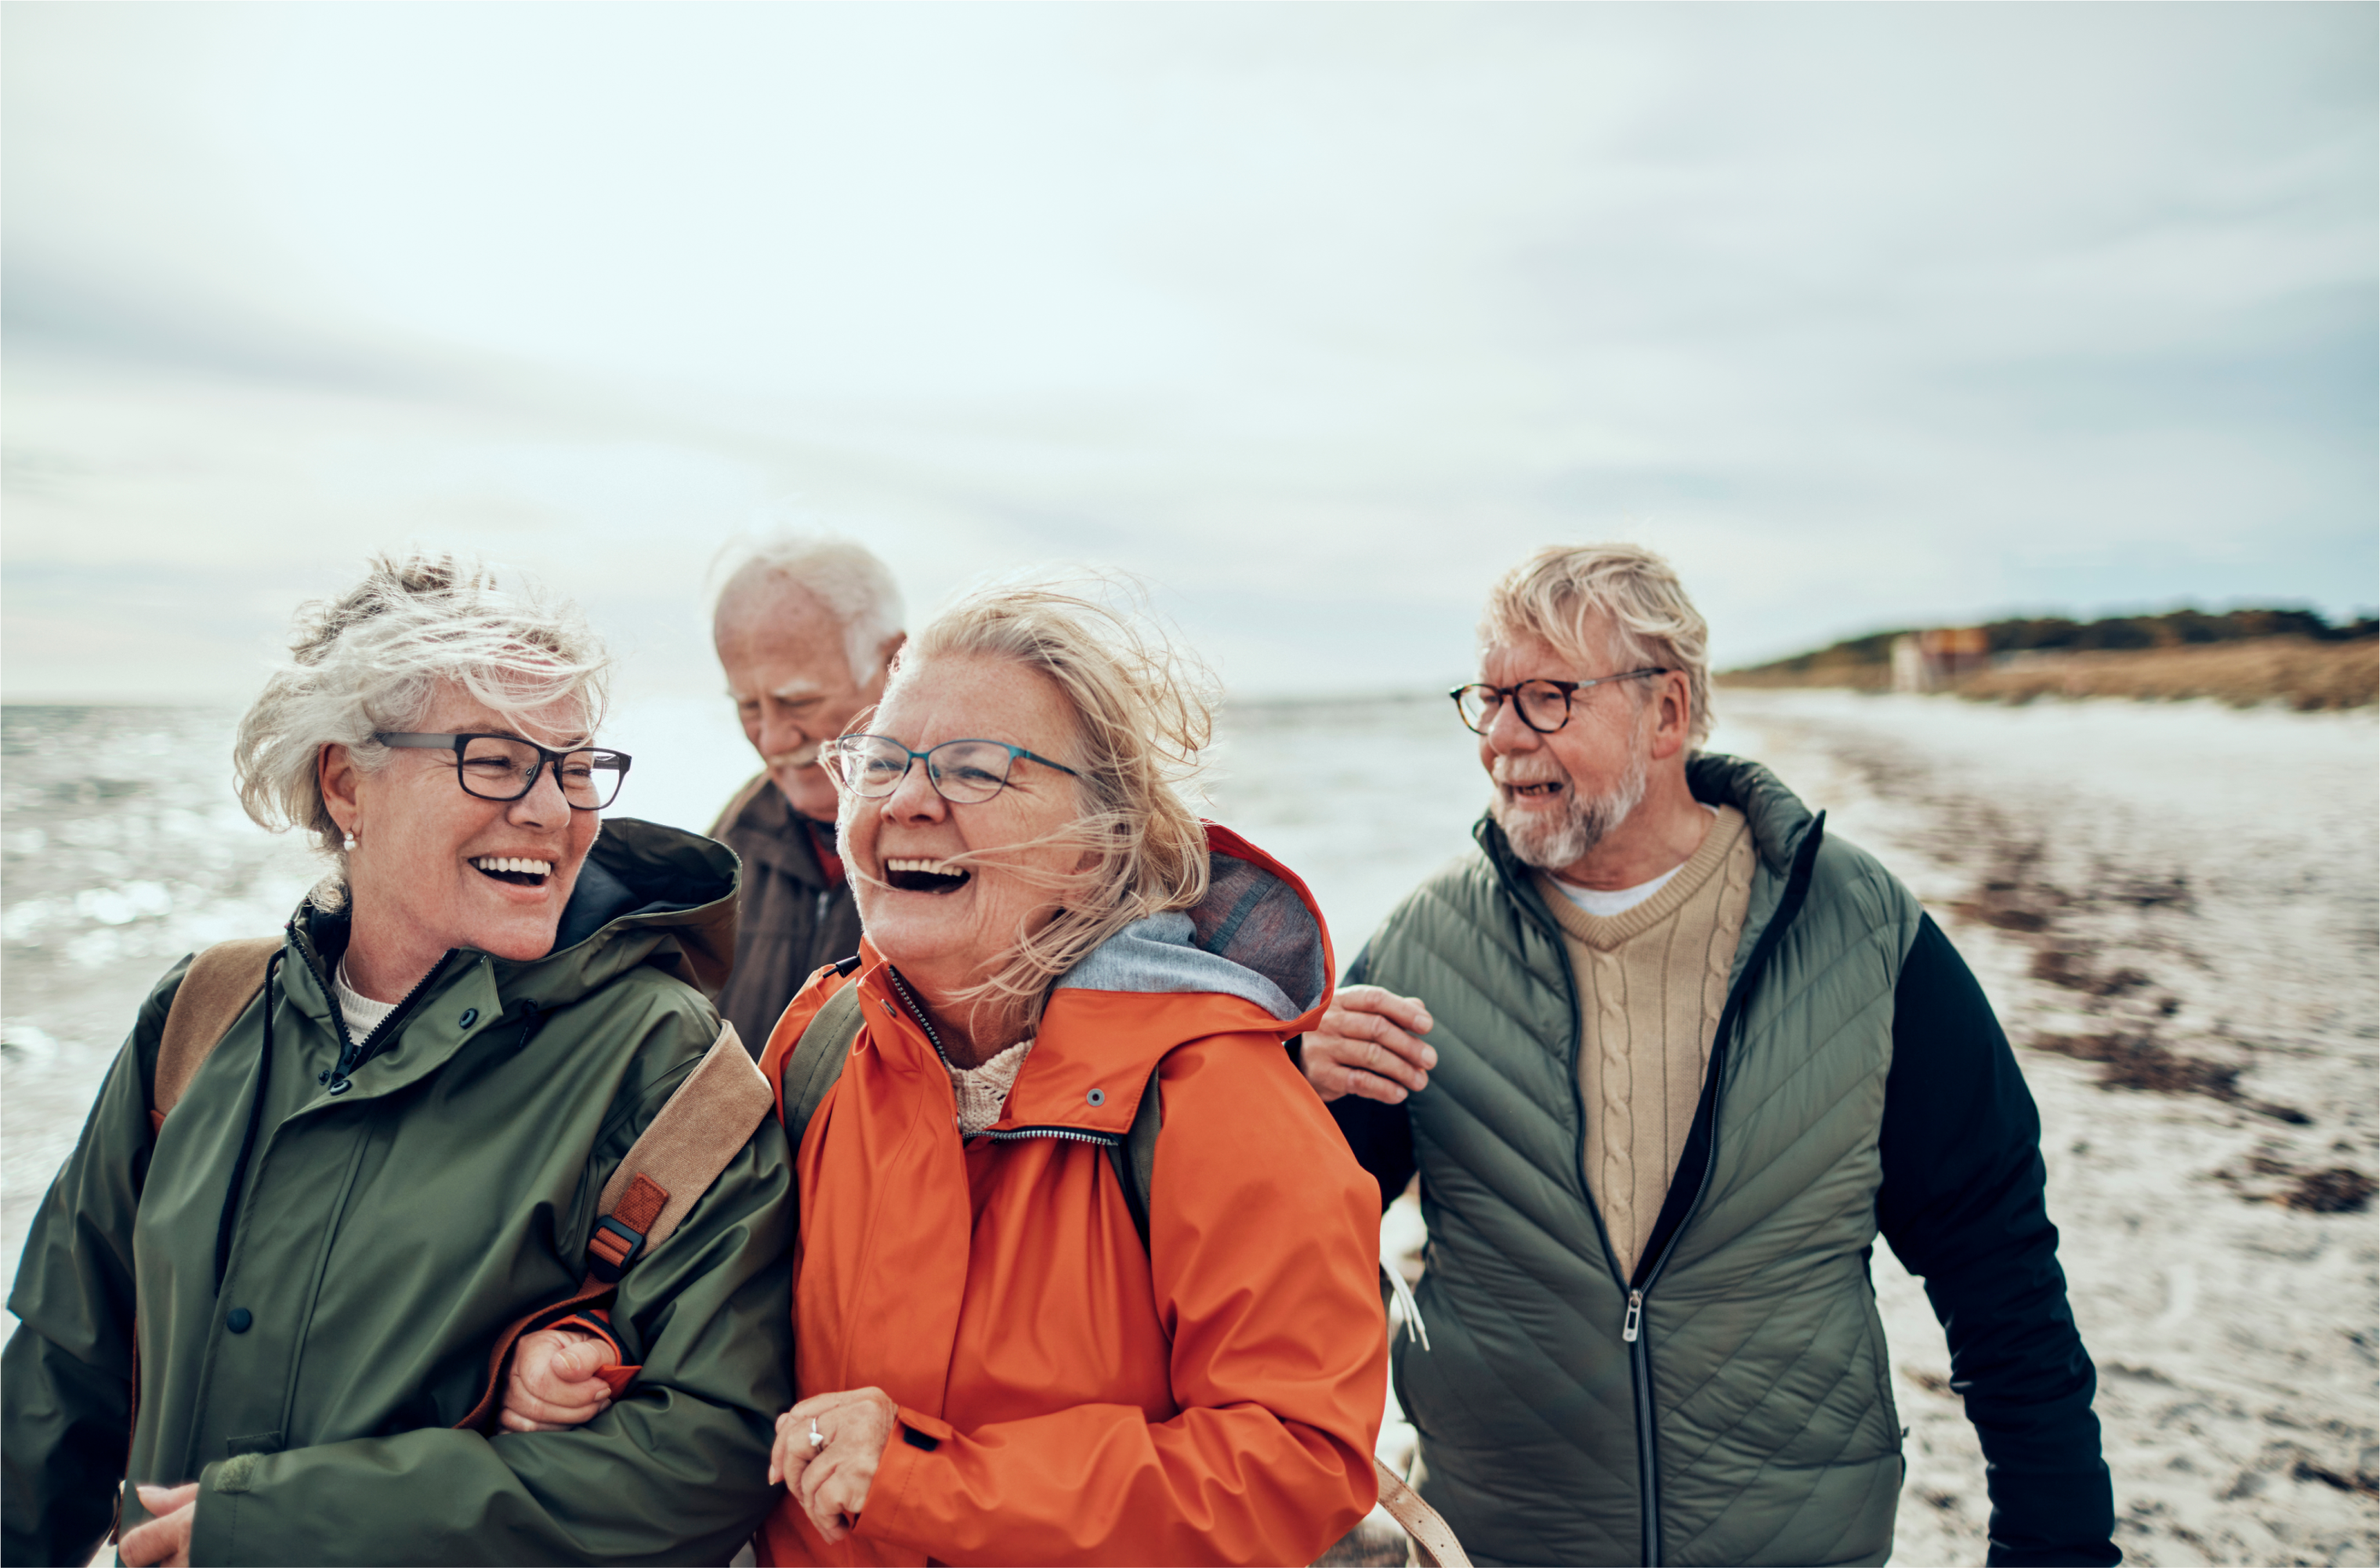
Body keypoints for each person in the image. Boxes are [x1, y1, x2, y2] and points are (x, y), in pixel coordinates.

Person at [513, 582, 1391, 1566]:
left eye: (975, 771)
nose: (905, 801)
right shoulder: (819, 1043)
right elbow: (711, 1328)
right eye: (880, 762)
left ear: (1100, 841)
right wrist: (577, 1364)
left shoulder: (1216, 1098)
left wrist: (927, 1482)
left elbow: (1297, 1466)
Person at [1302, 545, 2120, 1568]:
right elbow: (1286, 1253)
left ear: (1667, 713)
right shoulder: (1422, 948)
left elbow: (1999, 1275)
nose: (1501, 738)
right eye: (1489, 698)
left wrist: (2057, 1547)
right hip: (1496, 1543)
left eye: (1548, 697)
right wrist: (1291, 1093)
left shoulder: (1858, 931)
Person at [0, 555, 795, 1568]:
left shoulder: (664, 1064)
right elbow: (56, 1392)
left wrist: (285, 1528)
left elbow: (709, 1454)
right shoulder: (201, 1016)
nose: (553, 812)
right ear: (346, 783)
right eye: (496, 761)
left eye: (575, 764)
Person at [709, 538, 907, 1054]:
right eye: (748, 706)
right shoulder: (726, 847)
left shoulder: (969, 839)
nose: (772, 740)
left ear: (896, 665)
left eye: (798, 700)